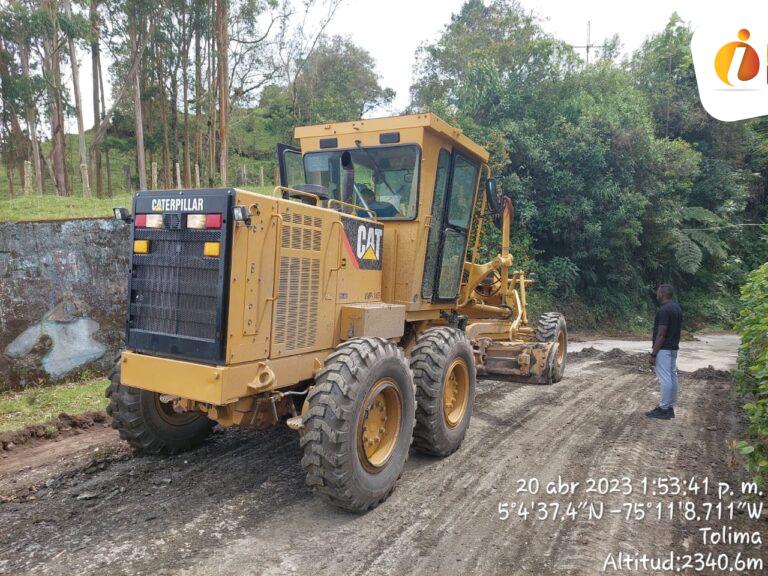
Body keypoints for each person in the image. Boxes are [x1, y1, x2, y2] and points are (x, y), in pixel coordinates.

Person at [646, 284, 683, 420]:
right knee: (672, 377)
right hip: (673, 348)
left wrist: (653, 354)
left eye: (657, 292)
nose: (656, 294)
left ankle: (663, 408)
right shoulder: (677, 308)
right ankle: (669, 406)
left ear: (662, 293)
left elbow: (661, 334)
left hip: (664, 349)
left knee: (665, 379)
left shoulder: (664, 310)